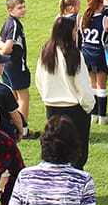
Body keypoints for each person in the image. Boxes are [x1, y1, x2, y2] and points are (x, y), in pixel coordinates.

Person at [35, 16, 96, 168]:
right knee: (77, 152)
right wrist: (88, 106)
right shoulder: (74, 54)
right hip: (74, 109)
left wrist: (47, 98)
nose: (77, 32)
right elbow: (83, 85)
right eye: (75, 30)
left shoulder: (45, 52)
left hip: (52, 108)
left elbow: (39, 80)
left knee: (55, 149)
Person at [0, 0, 34, 138]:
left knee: (13, 96)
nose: (23, 10)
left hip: (6, 66)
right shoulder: (15, 25)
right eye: (19, 8)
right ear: (10, 10)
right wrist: (3, 50)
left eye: (24, 7)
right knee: (23, 97)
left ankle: (12, 125)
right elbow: (7, 48)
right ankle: (23, 129)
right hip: (16, 65)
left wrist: (1, 49)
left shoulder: (8, 22)